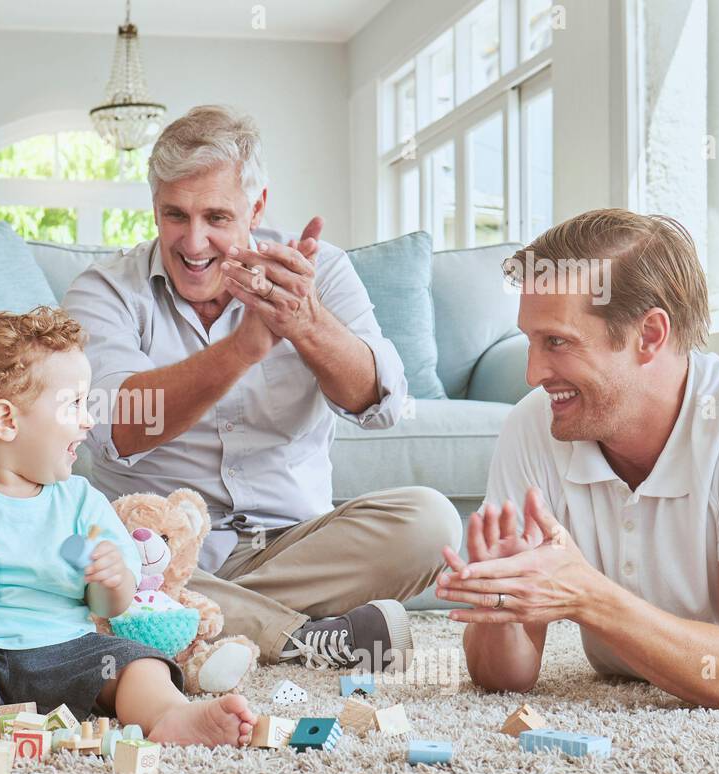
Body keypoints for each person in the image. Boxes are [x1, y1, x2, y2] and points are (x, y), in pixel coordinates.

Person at [63, 105, 461, 671]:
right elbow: (117, 427)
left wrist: (307, 323)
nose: (194, 241)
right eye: (175, 214)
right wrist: (243, 348)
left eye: (217, 217)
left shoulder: (315, 273)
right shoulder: (104, 290)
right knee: (83, 564)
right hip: (160, 549)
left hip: (293, 543)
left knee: (430, 523)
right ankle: (306, 638)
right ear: (154, 207)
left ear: (257, 206)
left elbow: (380, 402)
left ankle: (194, 621)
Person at [0, 308, 257, 752]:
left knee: (137, 664)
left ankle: (170, 716)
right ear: (8, 421)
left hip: (70, 651)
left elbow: (111, 605)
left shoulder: (79, 500)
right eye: (74, 404)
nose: (89, 420)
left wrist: (112, 580)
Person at [437, 208, 719, 709]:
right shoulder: (533, 424)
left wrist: (588, 597)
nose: (532, 373)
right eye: (530, 341)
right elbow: (507, 679)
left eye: (557, 342)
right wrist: (500, 603)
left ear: (649, 335)